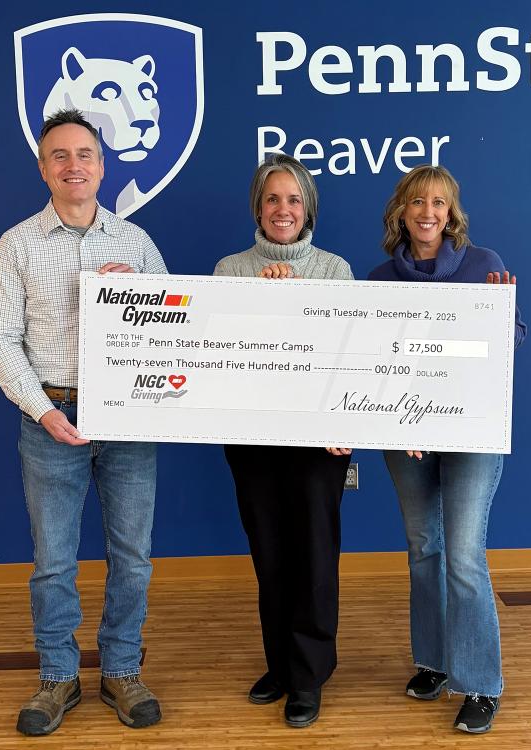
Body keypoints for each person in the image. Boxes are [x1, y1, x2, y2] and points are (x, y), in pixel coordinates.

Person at [0, 109, 167, 736]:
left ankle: (121, 669)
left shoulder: (136, 244)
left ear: (101, 164)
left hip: (128, 419)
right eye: (59, 156)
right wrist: (42, 410)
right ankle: (58, 675)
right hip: (51, 417)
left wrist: (143, 293)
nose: (73, 165)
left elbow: (176, 327)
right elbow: (0, 338)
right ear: (43, 168)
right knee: (54, 560)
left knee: (133, 557)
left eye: (84, 154)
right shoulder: (17, 244)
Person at [367, 165, 526, 734]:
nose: (427, 212)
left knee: (462, 554)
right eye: (416, 202)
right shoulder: (380, 280)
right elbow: (376, 365)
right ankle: (434, 662)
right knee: (423, 548)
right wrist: (399, 421)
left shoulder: (486, 266)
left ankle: (481, 683)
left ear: (451, 212)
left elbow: (503, 351)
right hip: (405, 440)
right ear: (401, 212)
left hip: (471, 436)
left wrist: (506, 318)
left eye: (438, 202)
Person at [213, 154, 353, 728]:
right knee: (270, 556)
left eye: (294, 200)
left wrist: (292, 297)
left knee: (314, 556)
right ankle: (280, 665)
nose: (283, 210)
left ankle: (309, 676)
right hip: (252, 437)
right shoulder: (229, 270)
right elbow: (221, 352)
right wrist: (262, 301)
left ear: (308, 209)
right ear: (257, 206)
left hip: (319, 440)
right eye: (273, 199)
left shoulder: (334, 270)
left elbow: (347, 353)